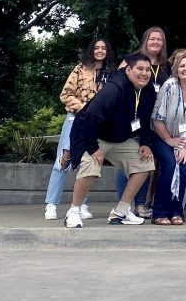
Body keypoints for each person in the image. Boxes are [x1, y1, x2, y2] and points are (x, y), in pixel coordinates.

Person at [64, 53, 156, 227]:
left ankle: (120, 212)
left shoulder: (148, 90)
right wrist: (93, 148)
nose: (144, 73)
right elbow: (90, 116)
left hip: (120, 138)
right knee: (91, 166)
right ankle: (74, 211)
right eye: (139, 69)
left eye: (147, 70)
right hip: (93, 136)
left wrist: (145, 143)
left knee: (145, 164)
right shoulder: (114, 88)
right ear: (128, 69)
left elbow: (144, 118)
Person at [45, 38, 115, 221]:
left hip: (95, 123)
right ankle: (51, 204)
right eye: (96, 48)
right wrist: (84, 107)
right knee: (64, 158)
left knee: (88, 160)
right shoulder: (80, 69)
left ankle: (82, 203)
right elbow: (65, 94)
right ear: (91, 50)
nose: (100, 51)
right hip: (75, 117)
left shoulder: (110, 73)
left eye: (103, 48)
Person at [116, 25, 170, 217]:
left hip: (155, 120)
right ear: (145, 41)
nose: (156, 42)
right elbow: (118, 85)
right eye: (152, 39)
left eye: (159, 40)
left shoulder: (166, 66)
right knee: (129, 161)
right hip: (133, 117)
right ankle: (124, 205)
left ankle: (140, 204)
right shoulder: (131, 60)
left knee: (148, 161)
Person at [151, 52, 186, 225]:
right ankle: (159, 212)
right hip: (162, 135)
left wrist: (184, 146)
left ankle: (177, 211)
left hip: (184, 138)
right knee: (169, 165)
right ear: (177, 69)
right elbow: (156, 118)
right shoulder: (169, 86)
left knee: (183, 166)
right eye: (182, 66)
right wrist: (170, 140)